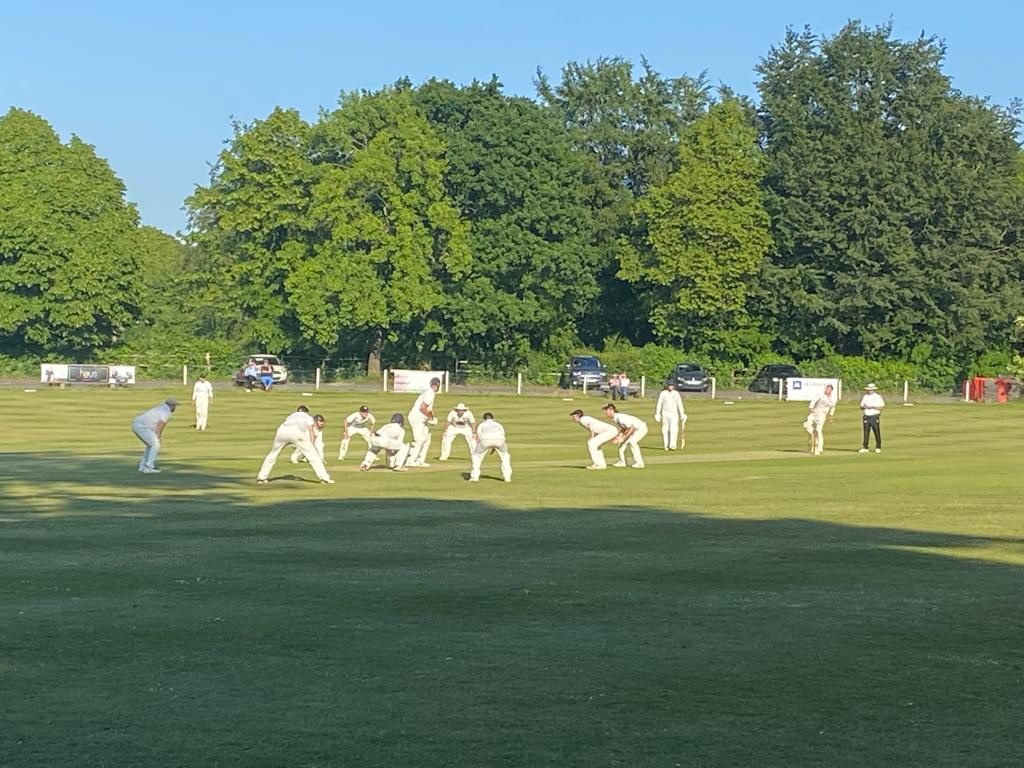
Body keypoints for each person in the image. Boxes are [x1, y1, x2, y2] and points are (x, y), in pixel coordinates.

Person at [257, 406, 334, 484]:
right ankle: (324, 478)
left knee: (273, 454)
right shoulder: (308, 417)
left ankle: (261, 478)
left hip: (281, 432)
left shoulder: (291, 416)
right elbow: (311, 430)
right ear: (306, 412)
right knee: (313, 456)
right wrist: (312, 445)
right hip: (297, 433)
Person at [132, 398, 177, 473]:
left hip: (137, 424)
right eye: (175, 406)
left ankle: (143, 467)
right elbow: (161, 423)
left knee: (151, 445)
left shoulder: (161, 408)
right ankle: (148, 467)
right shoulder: (166, 411)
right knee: (155, 444)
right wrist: (158, 434)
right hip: (141, 426)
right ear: (172, 405)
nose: (175, 408)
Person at [405, 377, 440, 467]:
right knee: (419, 440)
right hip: (417, 418)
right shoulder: (430, 393)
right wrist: (430, 418)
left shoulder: (429, 392)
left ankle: (420, 460)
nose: (435, 386)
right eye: (435, 385)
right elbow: (422, 408)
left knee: (427, 439)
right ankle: (410, 461)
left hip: (421, 419)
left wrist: (432, 418)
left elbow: (429, 409)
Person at [603, 403, 648, 468]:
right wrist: (619, 437)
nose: (605, 412)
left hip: (641, 428)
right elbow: (624, 428)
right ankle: (623, 462)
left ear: (611, 409)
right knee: (622, 444)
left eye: (606, 410)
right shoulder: (615, 418)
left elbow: (631, 428)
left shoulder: (620, 417)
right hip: (634, 429)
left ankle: (639, 463)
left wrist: (623, 438)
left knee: (632, 442)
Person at [469, 412, 511, 482]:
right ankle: (507, 478)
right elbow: (502, 435)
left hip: (485, 440)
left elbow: (478, 437)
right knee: (505, 457)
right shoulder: (498, 424)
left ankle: (474, 477)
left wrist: (480, 447)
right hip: (500, 441)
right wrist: (494, 446)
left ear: (484, 419)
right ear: (493, 418)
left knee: (476, 456)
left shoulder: (482, 425)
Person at [804, 383, 837, 455]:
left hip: (822, 414)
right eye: (826, 388)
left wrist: (831, 415)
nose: (827, 390)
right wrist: (811, 408)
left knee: (819, 430)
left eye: (829, 389)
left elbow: (833, 407)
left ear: (831, 390)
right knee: (806, 424)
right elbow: (814, 400)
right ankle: (813, 433)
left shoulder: (833, 398)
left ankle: (819, 448)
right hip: (815, 411)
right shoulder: (821, 394)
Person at [654, 380, 687, 450]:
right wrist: (657, 413)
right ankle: (666, 445)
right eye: (669, 385)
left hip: (674, 414)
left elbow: (680, 404)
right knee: (665, 430)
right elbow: (659, 404)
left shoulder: (676, 393)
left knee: (673, 429)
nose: (671, 387)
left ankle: (672, 445)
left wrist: (682, 414)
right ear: (667, 386)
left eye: (672, 385)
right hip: (665, 413)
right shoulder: (663, 393)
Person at [859, 383, 885, 453]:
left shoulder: (878, 397)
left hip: (874, 416)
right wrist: (865, 407)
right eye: (869, 390)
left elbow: (881, 407)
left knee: (876, 431)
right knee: (866, 432)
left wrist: (872, 407)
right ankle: (865, 447)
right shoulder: (865, 397)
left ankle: (878, 447)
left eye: (871, 390)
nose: (870, 391)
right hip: (866, 416)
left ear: (873, 390)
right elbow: (861, 406)